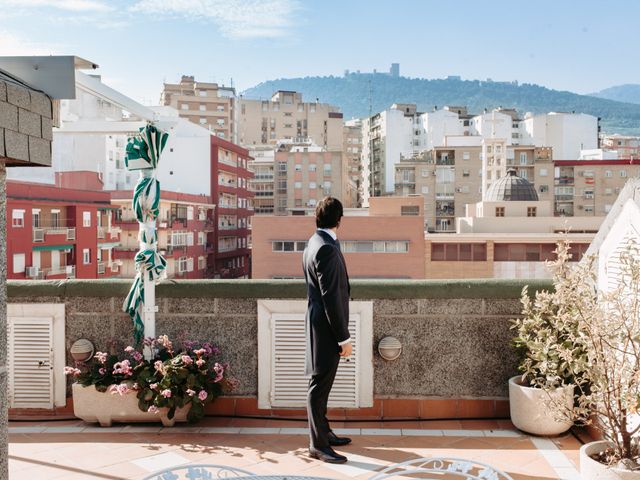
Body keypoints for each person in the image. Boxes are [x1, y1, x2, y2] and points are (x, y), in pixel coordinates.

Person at [302, 196, 352, 464]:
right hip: (326, 328)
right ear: (339, 220)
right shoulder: (327, 249)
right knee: (319, 385)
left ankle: (324, 432)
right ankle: (318, 445)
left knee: (322, 382)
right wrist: (344, 338)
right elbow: (332, 296)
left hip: (318, 322)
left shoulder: (315, 242)